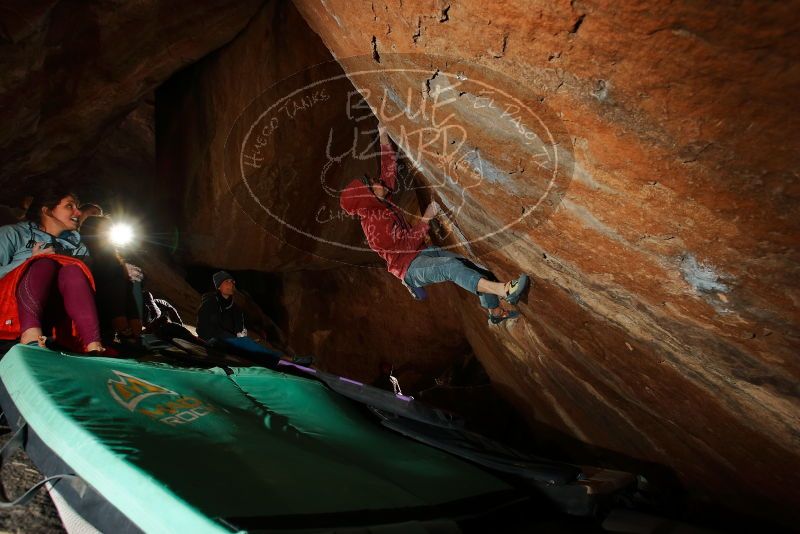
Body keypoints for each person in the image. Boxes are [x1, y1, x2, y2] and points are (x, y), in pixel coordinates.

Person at [339, 124, 529, 324]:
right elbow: (405, 245)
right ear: (368, 198)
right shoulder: (374, 228)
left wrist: (383, 136)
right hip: (409, 267)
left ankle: (495, 313)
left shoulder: (381, 203)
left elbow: (388, 173)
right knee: (450, 268)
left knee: (473, 267)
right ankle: (506, 290)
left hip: (420, 252)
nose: (377, 182)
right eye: (372, 185)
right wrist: (426, 218)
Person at [0, 185, 106, 353]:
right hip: (11, 311)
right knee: (44, 263)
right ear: (47, 210)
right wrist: (29, 261)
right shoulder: (13, 233)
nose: (78, 213)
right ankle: (31, 337)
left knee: (73, 270)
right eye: (70, 206)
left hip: (56, 316)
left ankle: (93, 346)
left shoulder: (79, 248)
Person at [197, 271, 312, 367]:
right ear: (219, 286)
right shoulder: (210, 302)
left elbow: (239, 328)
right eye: (227, 282)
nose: (231, 284)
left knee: (250, 346)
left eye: (232, 282)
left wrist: (241, 336)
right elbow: (204, 327)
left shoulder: (235, 308)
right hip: (215, 341)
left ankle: (288, 360)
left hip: (231, 342)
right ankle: (290, 360)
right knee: (247, 346)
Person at [79, 215, 142, 345]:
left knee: (125, 282)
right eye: (104, 230)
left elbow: (127, 291)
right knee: (117, 282)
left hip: (114, 306)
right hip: (95, 306)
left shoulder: (113, 257)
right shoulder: (84, 251)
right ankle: (124, 331)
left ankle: (133, 332)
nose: (107, 234)